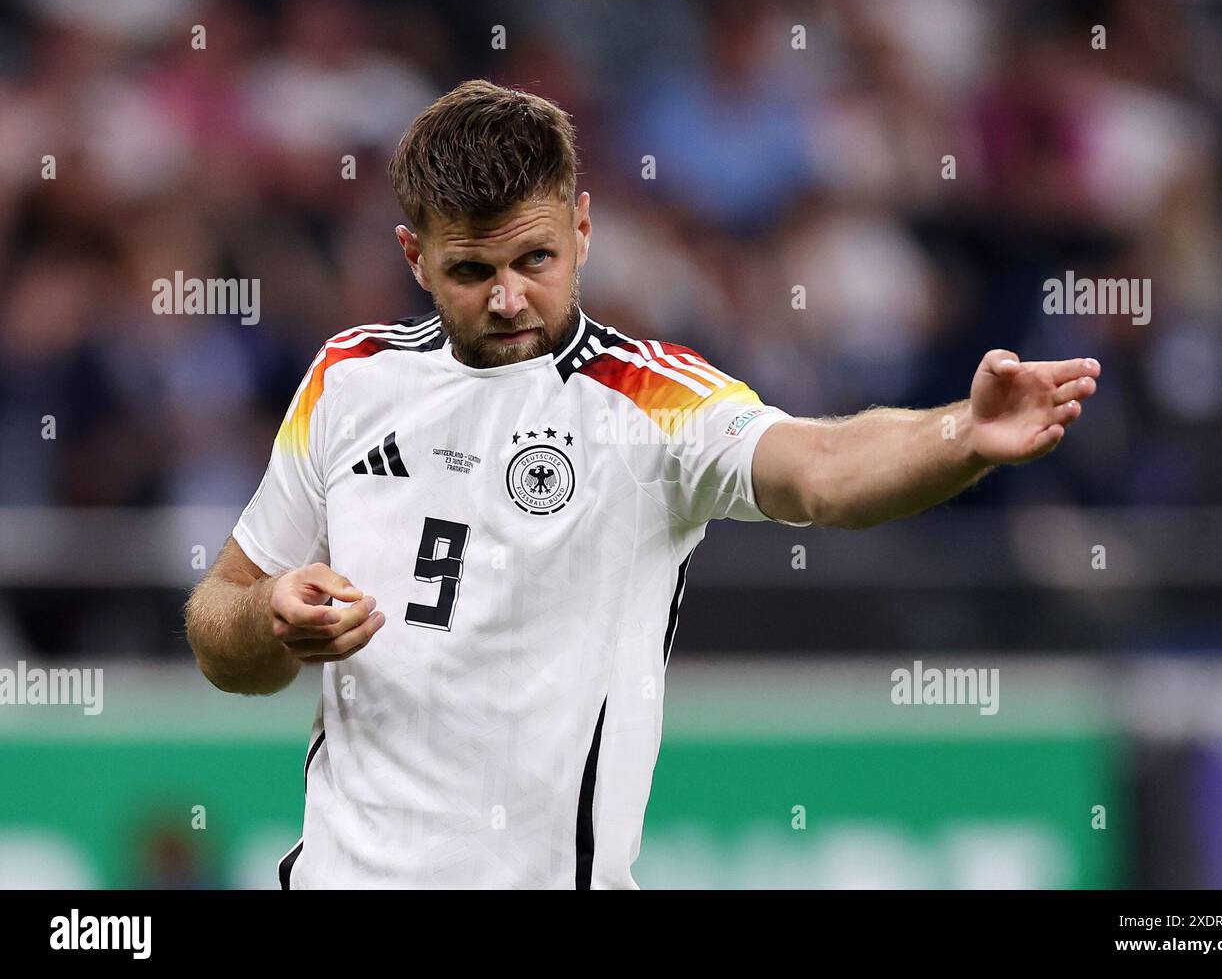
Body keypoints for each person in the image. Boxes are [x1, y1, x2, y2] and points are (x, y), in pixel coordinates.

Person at [184, 79, 1101, 889]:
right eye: (471, 270)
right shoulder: (350, 377)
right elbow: (219, 625)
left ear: (583, 228)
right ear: (414, 256)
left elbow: (821, 472)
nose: (508, 299)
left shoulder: (648, 399)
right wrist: (268, 611)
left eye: (533, 260)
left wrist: (962, 435)